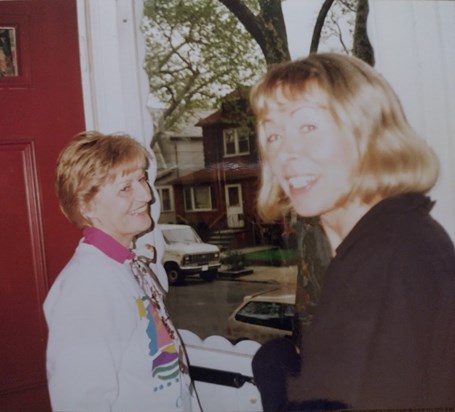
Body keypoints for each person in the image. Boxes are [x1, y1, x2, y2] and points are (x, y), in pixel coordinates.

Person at [249, 53, 455, 409]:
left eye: (308, 127)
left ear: (367, 133)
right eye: (273, 135)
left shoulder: (388, 253)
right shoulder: (391, 235)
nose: (286, 152)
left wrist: (274, 362)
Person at [44, 131, 200, 412]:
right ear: (86, 206)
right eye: (126, 188)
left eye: (141, 179)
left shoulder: (124, 266)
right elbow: (79, 403)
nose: (147, 194)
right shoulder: (87, 286)